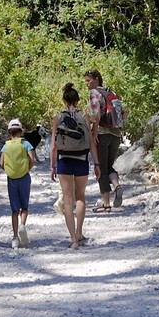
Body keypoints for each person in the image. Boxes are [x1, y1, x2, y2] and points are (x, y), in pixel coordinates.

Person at [50, 83, 95, 250]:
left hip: (64, 161)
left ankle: (73, 240)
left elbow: (54, 145)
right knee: (80, 196)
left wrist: (52, 166)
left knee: (67, 201)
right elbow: (91, 142)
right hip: (81, 159)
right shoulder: (84, 116)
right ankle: (79, 232)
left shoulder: (58, 118)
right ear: (77, 100)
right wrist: (96, 163)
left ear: (64, 100)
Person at [84, 66, 124, 211]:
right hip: (116, 134)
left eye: (88, 81)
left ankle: (106, 203)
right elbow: (123, 112)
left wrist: (94, 133)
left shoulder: (94, 93)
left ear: (96, 80)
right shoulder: (110, 92)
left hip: (102, 134)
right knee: (108, 166)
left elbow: (95, 115)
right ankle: (117, 185)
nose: (86, 84)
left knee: (100, 167)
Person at [0, 118, 35, 247]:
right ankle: (22, 226)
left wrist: (9, 171)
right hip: (24, 177)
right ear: (21, 131)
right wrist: (26, 169)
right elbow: (32, 159)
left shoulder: (5, 145)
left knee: (14, 209)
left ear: (9, 133)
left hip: (11, 179)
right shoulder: (26, 144)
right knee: (24, 207)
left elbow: (1, 163)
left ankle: (15, 237)